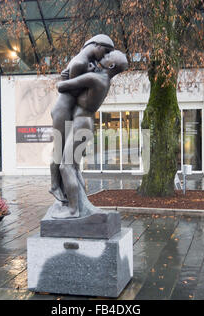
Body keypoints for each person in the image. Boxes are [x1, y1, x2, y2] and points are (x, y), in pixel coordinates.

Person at [53, 50, 128, 218]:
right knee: (73, 167)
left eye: (109, 55)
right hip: (84, 124)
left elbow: (62, 87)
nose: (106, 54)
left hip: (81, 125)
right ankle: (80, 203)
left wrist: (67, 76)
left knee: (66, 167)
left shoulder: (94, 78)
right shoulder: (102, 78)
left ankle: (73, 210)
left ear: (111, 65)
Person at [49, 34, 115, 203]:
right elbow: (72, 92)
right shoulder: (80, 63)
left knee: (68, 156)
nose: (105, 56)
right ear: (96, 45)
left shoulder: (88, 64)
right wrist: (84, 79)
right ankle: (55, 186)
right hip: (63, 110)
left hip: (69, 110)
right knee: (59, 149)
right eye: (105, 52)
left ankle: (72, 193)